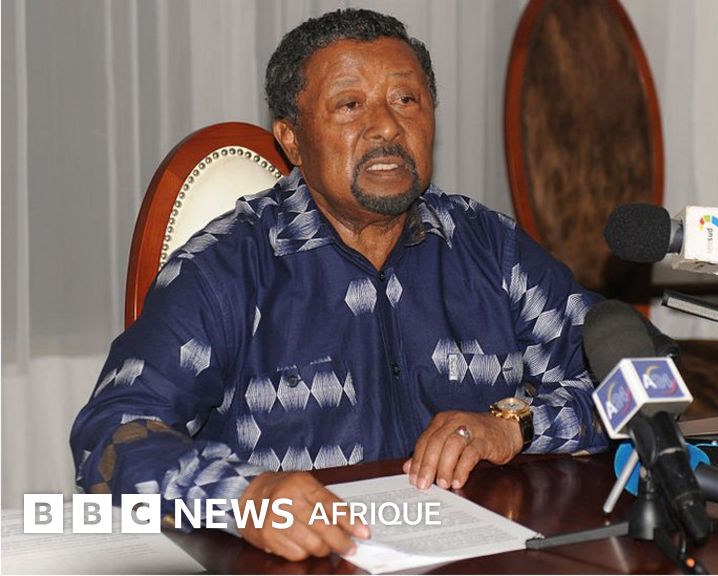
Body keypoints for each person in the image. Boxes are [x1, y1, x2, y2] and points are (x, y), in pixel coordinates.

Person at [70, 7, 608, 562]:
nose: (387, 127)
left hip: (478, 558)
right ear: (292, 140)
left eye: (406, 100)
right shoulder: (226, 270)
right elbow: (109, 438)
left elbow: (635, 384)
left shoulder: (489, 248)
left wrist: (517, 425)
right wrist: (245, 496)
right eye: (350, 106)